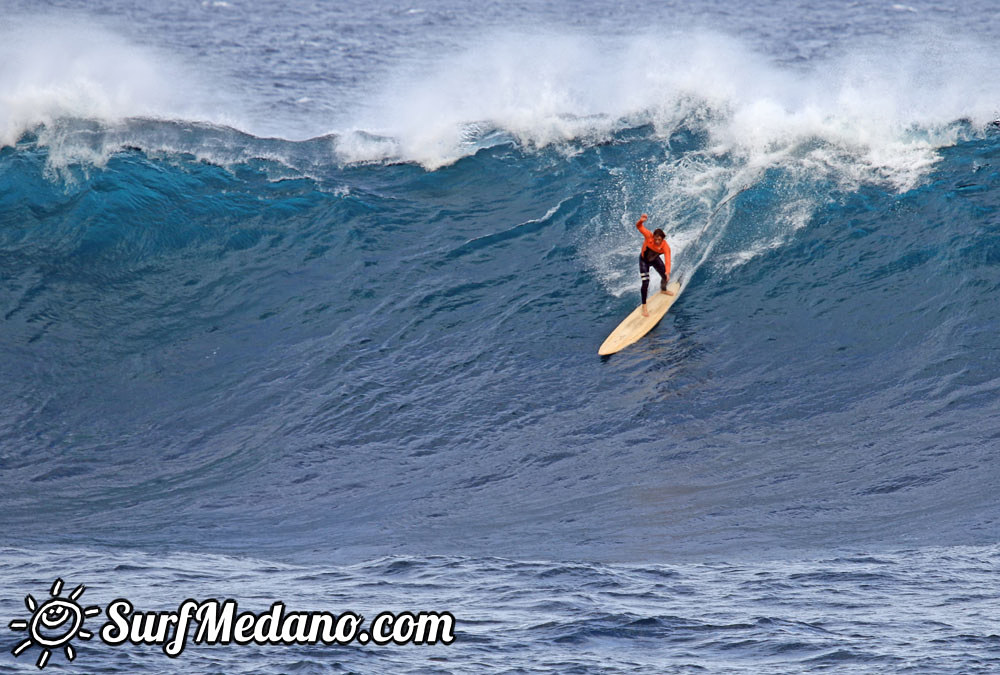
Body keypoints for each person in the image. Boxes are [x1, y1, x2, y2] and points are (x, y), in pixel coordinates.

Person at [635, 213, 673, 317]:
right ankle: (644, 306)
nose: (656, 241)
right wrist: (641, 221)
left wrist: (668, 273)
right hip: (644, 261)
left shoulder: (665, 246)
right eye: (655, 239)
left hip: (655, 259)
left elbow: (668, 260)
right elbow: (639, 226)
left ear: (663, 239)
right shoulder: (649, 236)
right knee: (645, 282)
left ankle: (663, 290)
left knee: (665, 276)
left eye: (659, 240)